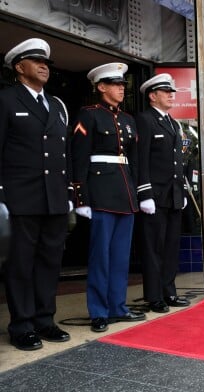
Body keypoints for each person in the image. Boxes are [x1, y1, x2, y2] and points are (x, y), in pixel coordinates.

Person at [0, 38, 72, 350]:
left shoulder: (56, 106)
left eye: (46, 63)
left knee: (49, 262)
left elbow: (63, 154)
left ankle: (45, 320)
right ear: (19, 67)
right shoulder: (6, 100)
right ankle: (21, 325)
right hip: (21, 197)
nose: (44, 66)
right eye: (35, 61)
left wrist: (69, 193)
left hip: (54, 198)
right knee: (20, 264)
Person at [71, 63, 145, 333]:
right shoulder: (89, 115)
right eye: (115, 84)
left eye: (123, 85)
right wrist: (80, 196)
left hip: (124, 193)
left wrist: (138, 192)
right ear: (101, 87)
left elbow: (133, 160)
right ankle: (99, 312)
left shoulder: (128, 119)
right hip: (100, 192)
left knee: (120, 257)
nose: (121, 89)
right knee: (100, 256)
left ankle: (118, 306)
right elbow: (78, 157)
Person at [134, 74, 190, 313]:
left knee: (170, 247)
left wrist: (183, 190)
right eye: (165, 91)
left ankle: (169, 291)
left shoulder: (173, 123)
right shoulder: (145, 120)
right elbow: (140, 159)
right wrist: (144, 193)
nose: (171, 95)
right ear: (152, 95)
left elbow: (179, 162)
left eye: (172, 91)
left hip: (173, 195)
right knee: (153, 248)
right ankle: (154, 296)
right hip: (154, 197)